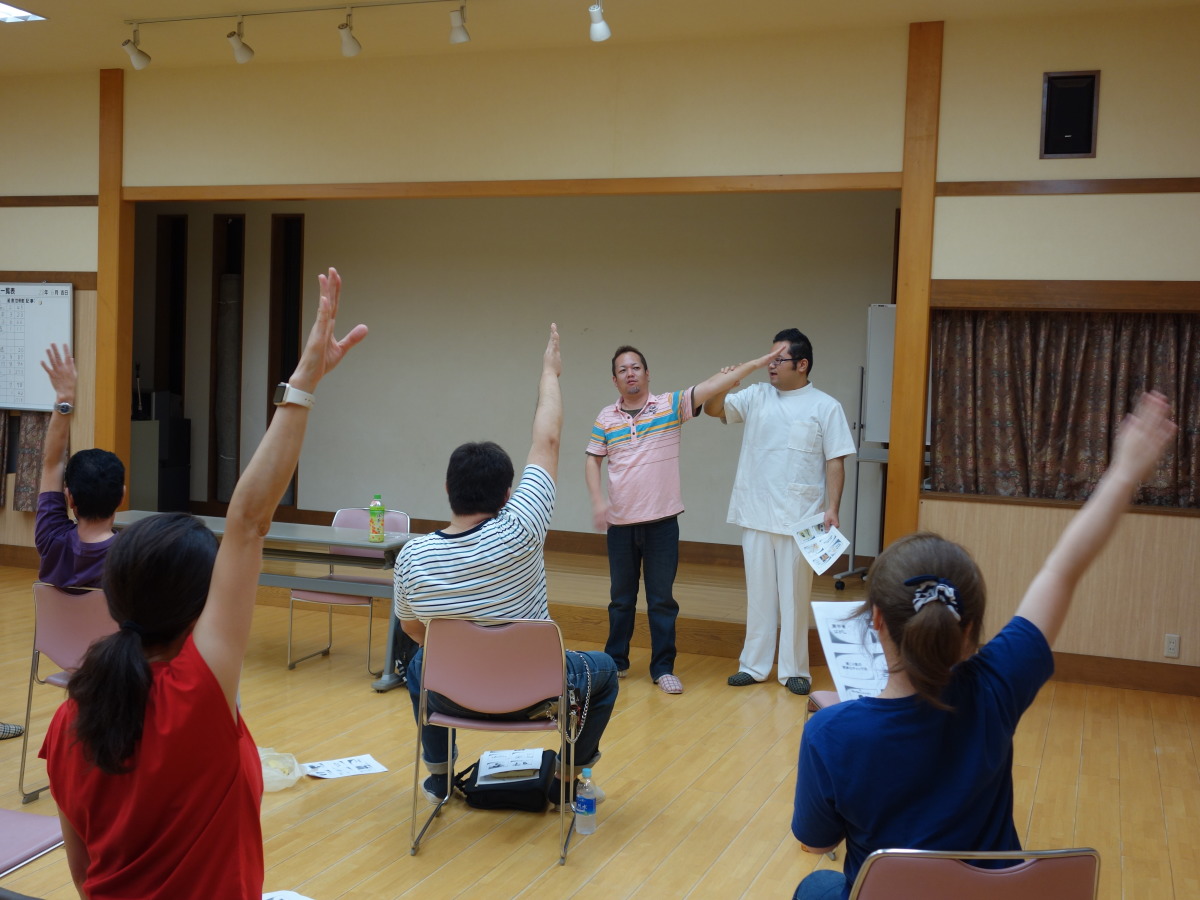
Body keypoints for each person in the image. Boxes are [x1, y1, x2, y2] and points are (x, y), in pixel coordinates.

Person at [39, 268, 366, 899]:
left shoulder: (69, 719)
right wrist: (304, 383)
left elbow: (83, 877)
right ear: (198, 609)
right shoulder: (199, 690)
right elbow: (248, 521)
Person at [791, 392, 1176, 900]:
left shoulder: (829, 734)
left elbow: (816, 843)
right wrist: (1124, 473)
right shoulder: (997, 686)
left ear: (876, 619)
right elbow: (1062, 570)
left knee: (816, 884)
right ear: (970, 629)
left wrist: (842, 732)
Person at [398, 324, 619, 804]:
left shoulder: (412, 555)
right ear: (506, 495)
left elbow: (414, 630)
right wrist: (550, 373)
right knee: (604, 671)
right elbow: (548, 440)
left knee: (418, 664)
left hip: (452, 696)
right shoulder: (522, 527)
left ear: (447, 489)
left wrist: (467, 654)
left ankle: (438, 778)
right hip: (536, 697)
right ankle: (567, 780)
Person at [585, 343, 786, 694]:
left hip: (662, 524)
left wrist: (756, 363)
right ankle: (615, 663)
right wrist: (598, 502)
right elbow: (593, 459)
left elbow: (711, 385)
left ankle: (663, 668)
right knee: (621, 599)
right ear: (615, 380)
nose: (630, 373)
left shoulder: (669, 406)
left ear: (647, 373)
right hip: (620, 525)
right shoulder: (606, 418)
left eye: (636, 367)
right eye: (622, 370)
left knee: (662, 600)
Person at [703, 329, 855, 696]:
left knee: (794, 598)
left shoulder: (825, 406)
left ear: (802, 365)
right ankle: (753, 666)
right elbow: (713, 408)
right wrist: (726, 384)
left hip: (801, 518)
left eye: (778, 360)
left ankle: (794, 670)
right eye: (769, 359)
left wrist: (833, 508)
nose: (770, 366)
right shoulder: (756, 396)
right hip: (755, 512)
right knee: (759, 597)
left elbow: (835, 460)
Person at [36, 343, 125, 591]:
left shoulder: (51, 538)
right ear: (121, 496)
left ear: (70, 498)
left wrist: (64, 399)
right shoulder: (130, 555)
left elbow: (52, 463)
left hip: (53, 621)